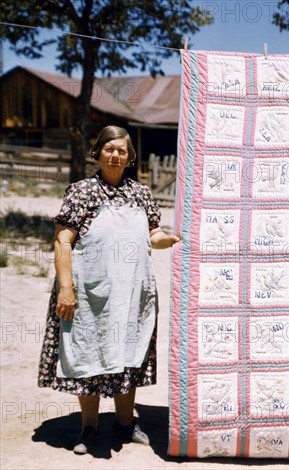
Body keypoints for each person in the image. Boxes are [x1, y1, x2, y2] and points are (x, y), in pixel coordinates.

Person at [38, 125, 180, 454]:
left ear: (130, 157)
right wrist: (66, 289)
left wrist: (168, 240)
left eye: (121, 150)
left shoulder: (140, 194)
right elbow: (62, 241)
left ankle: (125, 422)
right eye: (109, 149)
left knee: (129, 354)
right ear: (98, 153)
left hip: (131, 294)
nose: (115, 155)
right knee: (88, 351)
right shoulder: (82, 191)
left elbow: (153, 235)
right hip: (88, 293)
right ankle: (89, 427)